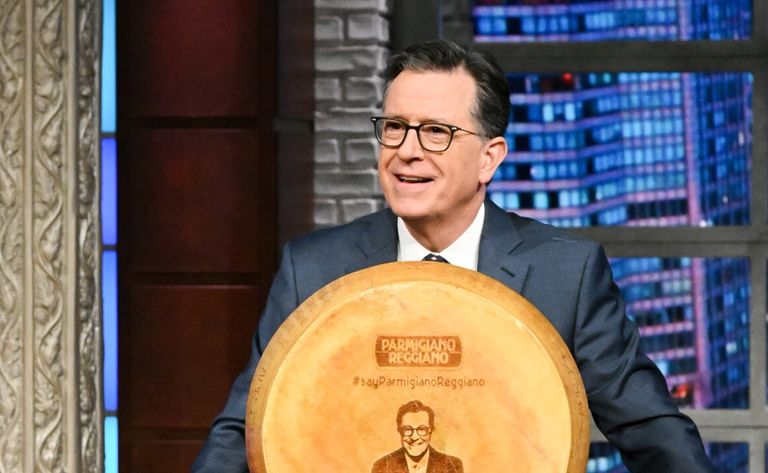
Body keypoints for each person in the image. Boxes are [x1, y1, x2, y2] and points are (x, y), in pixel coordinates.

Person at [192, 39, 716, 472]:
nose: (407, 151)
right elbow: (245, 430)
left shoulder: (566, 275)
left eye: (436, 132)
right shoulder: (313, 270)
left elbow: (651, 430)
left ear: (490, 158)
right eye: (394, 127)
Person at [370, 400, 464, 473]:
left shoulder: (453, 465)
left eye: (421, 429)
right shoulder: (382, 466)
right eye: (407, 429)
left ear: (430, 430)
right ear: (400, 431)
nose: (414, 437)